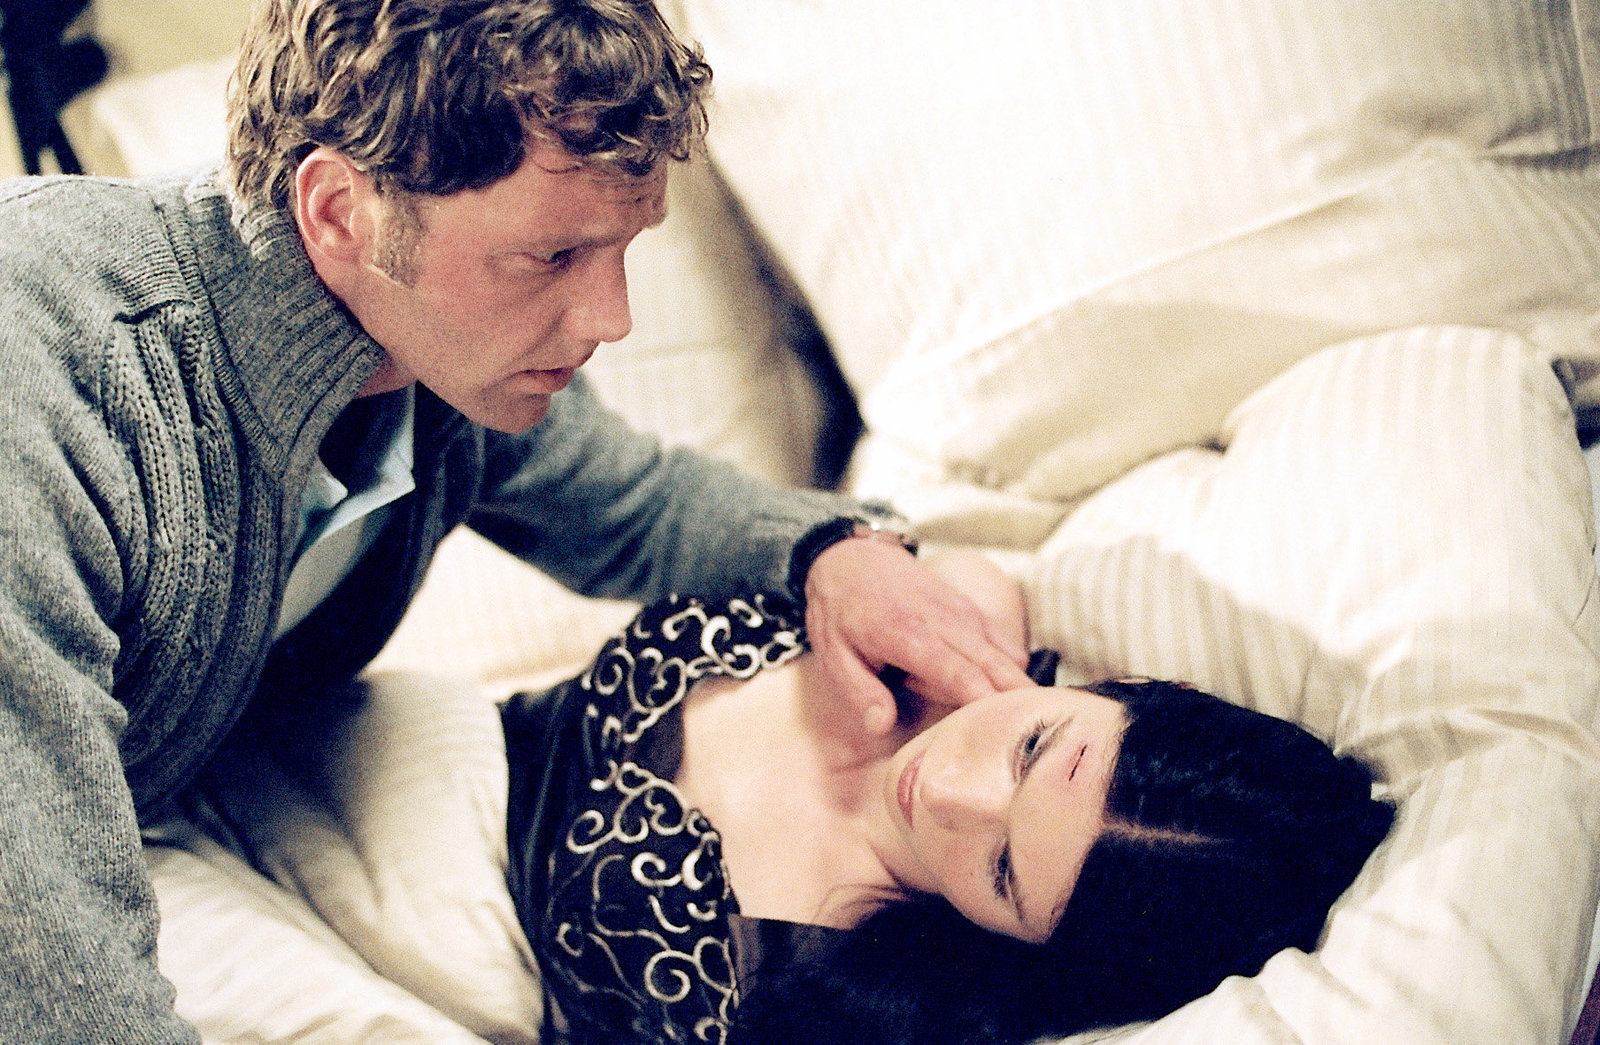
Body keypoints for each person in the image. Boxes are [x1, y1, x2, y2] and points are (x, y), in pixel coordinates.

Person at [0, 0, 1030, 1039]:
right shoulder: (43, 364)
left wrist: (832, 552)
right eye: (551, 256)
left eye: (622, 249)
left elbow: (629, 505)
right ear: (339, 212)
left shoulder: (428, 360)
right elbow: (53, 969)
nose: (611, 318)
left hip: (169, 804)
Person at [501, 551, 1397, 1044]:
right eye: (1031, 747)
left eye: (1003, 871)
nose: (946, 793)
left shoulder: (832, 1007)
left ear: (1026, 943)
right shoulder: (955, 609)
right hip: (453, 714)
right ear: (1120, 684)